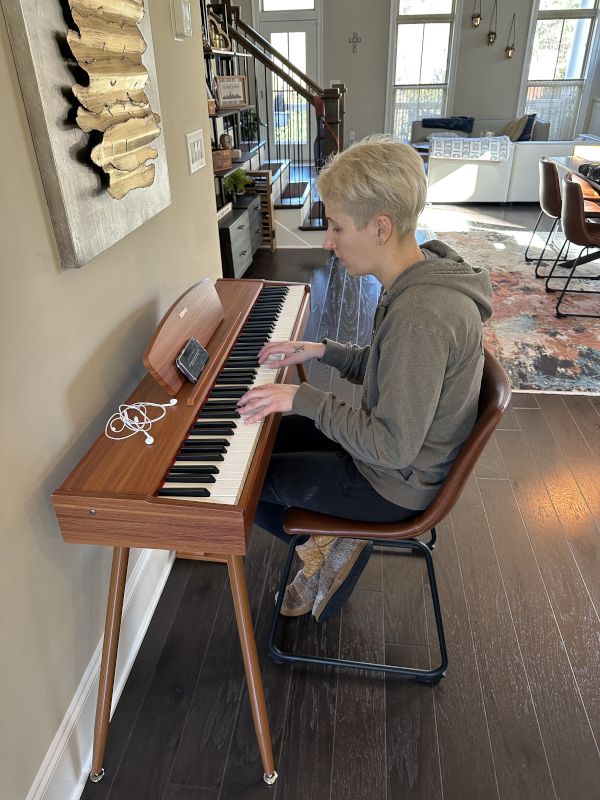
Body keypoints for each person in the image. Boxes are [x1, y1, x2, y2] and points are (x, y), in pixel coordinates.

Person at [237, 135, 493, 622]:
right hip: (388, 452)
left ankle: (333, 540)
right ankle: (332, 532)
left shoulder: (421, 314)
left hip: (393, 482)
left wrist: (303, 396)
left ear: (380, 228)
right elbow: (387, 368)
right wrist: (321, 350)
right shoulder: (421, 276)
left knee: (245, 484)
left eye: (335, 226)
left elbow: (392, 447)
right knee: (261, 437)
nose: (327, 241)